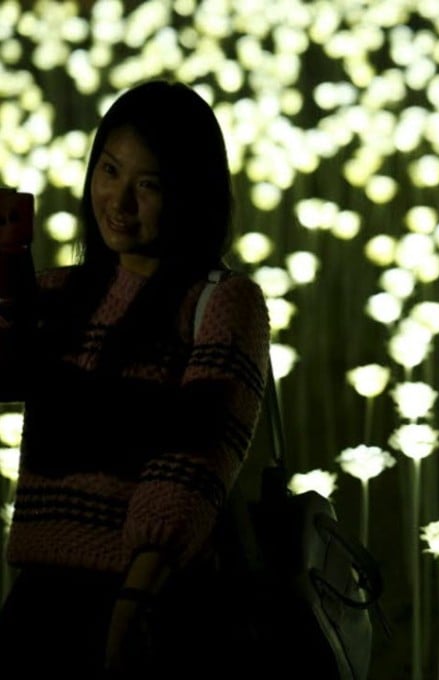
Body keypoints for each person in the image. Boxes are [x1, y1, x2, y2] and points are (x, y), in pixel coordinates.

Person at [0, 80, 270, 675]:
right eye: (109, 171)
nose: (118, 203)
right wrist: (8, 272)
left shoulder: (221, 303)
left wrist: (134, 601)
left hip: (153, 603)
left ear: (192, 196)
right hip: (38, 596)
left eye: (148, 185)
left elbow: (193, 461)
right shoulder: (56, 294)